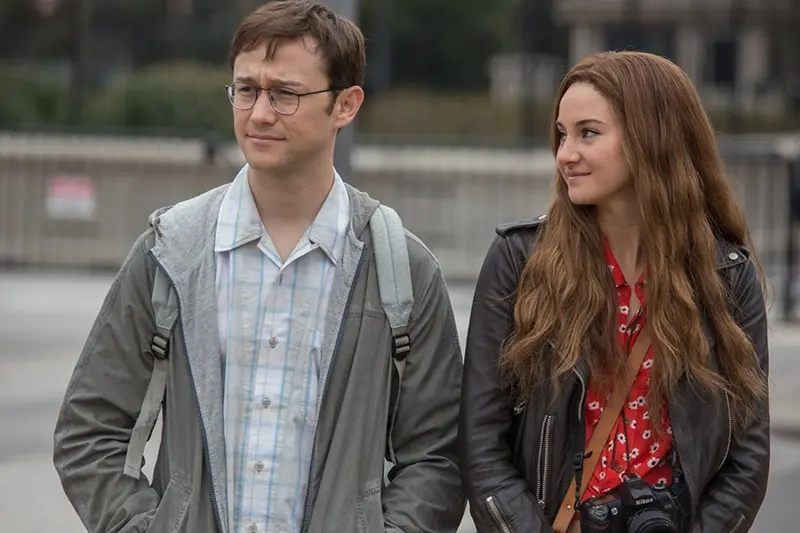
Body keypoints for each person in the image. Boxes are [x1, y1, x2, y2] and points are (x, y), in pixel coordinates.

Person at [53, 1, 465, 532]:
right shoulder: (170, 252)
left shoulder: (402, 269)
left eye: (285, 94)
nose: (260, 113)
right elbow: (87, 430)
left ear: (346, 104)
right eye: (246, 90)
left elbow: (439, 457)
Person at [459, 51, 770, 533]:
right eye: (562, 135)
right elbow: (480, 442)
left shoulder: (725, 275)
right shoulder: (520, 262)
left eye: (588, 132)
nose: (565, 153)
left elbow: (748, 452)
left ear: (651, 138)